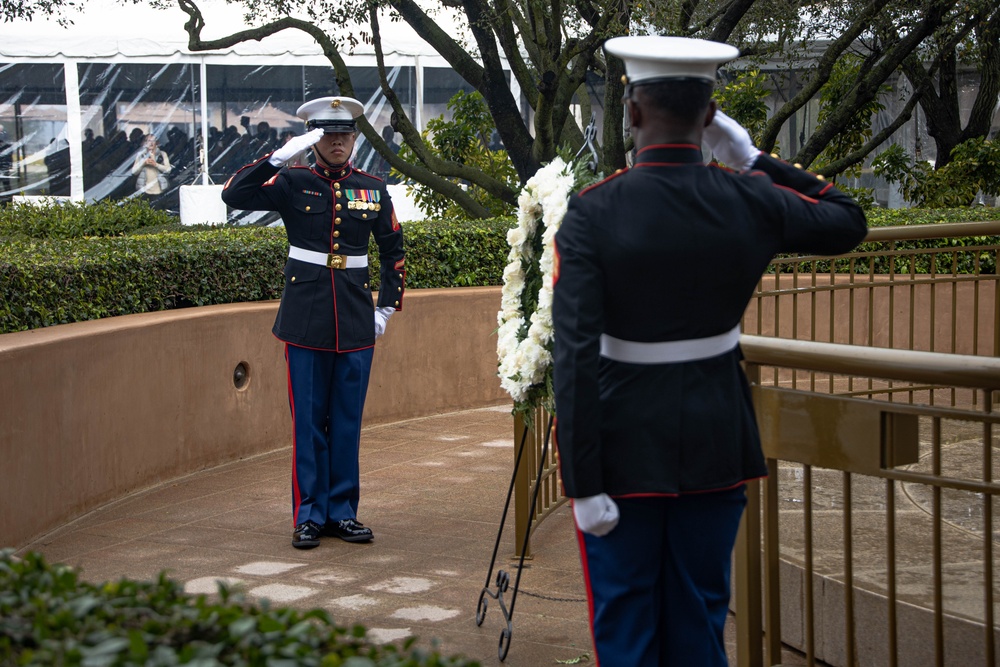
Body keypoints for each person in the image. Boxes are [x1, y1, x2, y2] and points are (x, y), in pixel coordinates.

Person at [552, 36, 868, 666]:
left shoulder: (593, 211)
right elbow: (846, 219)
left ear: (634, 113)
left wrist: (583, 483)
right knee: (699, 618)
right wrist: (758, 160)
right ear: (710, 113)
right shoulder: (749, 196)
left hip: (622, 451)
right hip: (716, 442)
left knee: (626, 627)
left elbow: (575, 356)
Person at [221, 97, 405, 549]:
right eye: (326, 134)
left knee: (346, 422)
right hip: (304, 320)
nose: (337, 141)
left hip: (356, 320)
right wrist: (282, 155)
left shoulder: (373, 188)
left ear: (355, 138)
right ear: (313, 138)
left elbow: (393, 250)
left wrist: (385, 308)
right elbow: (234, 194)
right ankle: (308, 515)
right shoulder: (292, 180)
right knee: (308, 423)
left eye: (344, 134)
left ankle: (342, 512)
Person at [131, 134, 171, 199]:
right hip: (144, 191)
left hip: (160, 190)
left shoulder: (162, 154)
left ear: (157, 143)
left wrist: (156, 164)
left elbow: (168, 170)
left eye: (153, 141)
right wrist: (143, 163)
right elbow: (134, 172)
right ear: (145, 143)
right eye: (149, 141)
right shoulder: (141, 154)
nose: (151, 143)